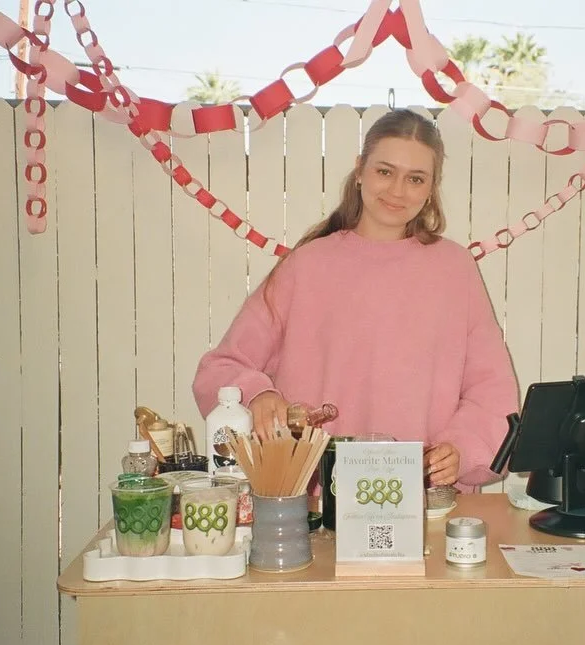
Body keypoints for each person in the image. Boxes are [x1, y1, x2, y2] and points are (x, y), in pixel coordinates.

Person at [192, 109, 519, 492]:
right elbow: (221, 367)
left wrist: (462, 449)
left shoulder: (455, 268)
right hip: (315, 503)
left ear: (431, 188)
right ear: (360, 169)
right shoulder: (306, 265)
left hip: (425, 504)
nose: (398, 190)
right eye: (385, 171)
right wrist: (258, 395)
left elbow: (492, 391)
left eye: (415, 179)